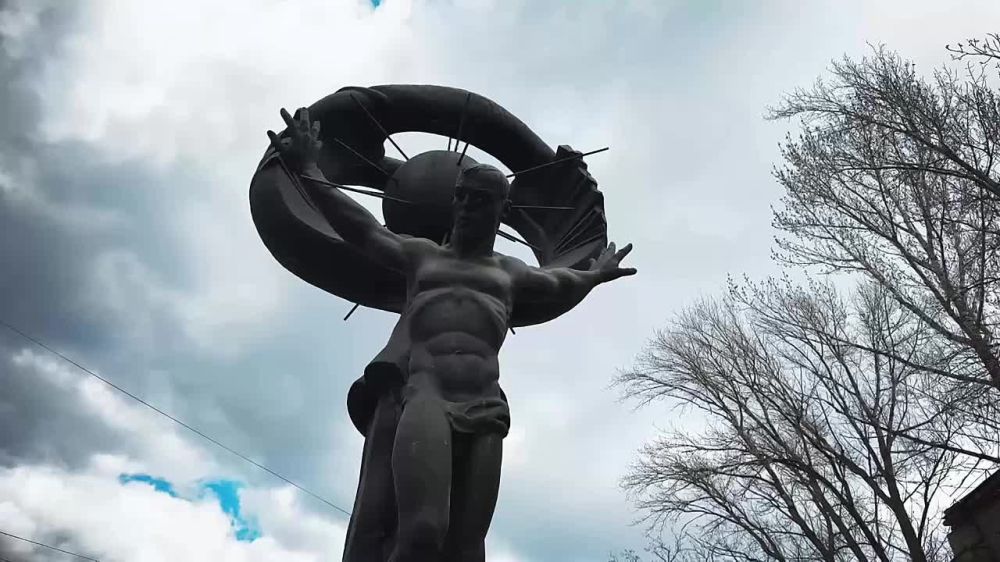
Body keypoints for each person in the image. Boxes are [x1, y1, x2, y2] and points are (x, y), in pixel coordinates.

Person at [268, 107, 636, 562]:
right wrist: (308, 167)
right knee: (423, 530)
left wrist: (596, 275)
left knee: (466, 548)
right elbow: (360, 227)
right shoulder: (422, 258)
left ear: (501, 211)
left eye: (480, 200)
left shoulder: (511, 273)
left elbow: (563, 282)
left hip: (486, 407)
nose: (466, 207)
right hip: (429, 397)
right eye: (461, 197)